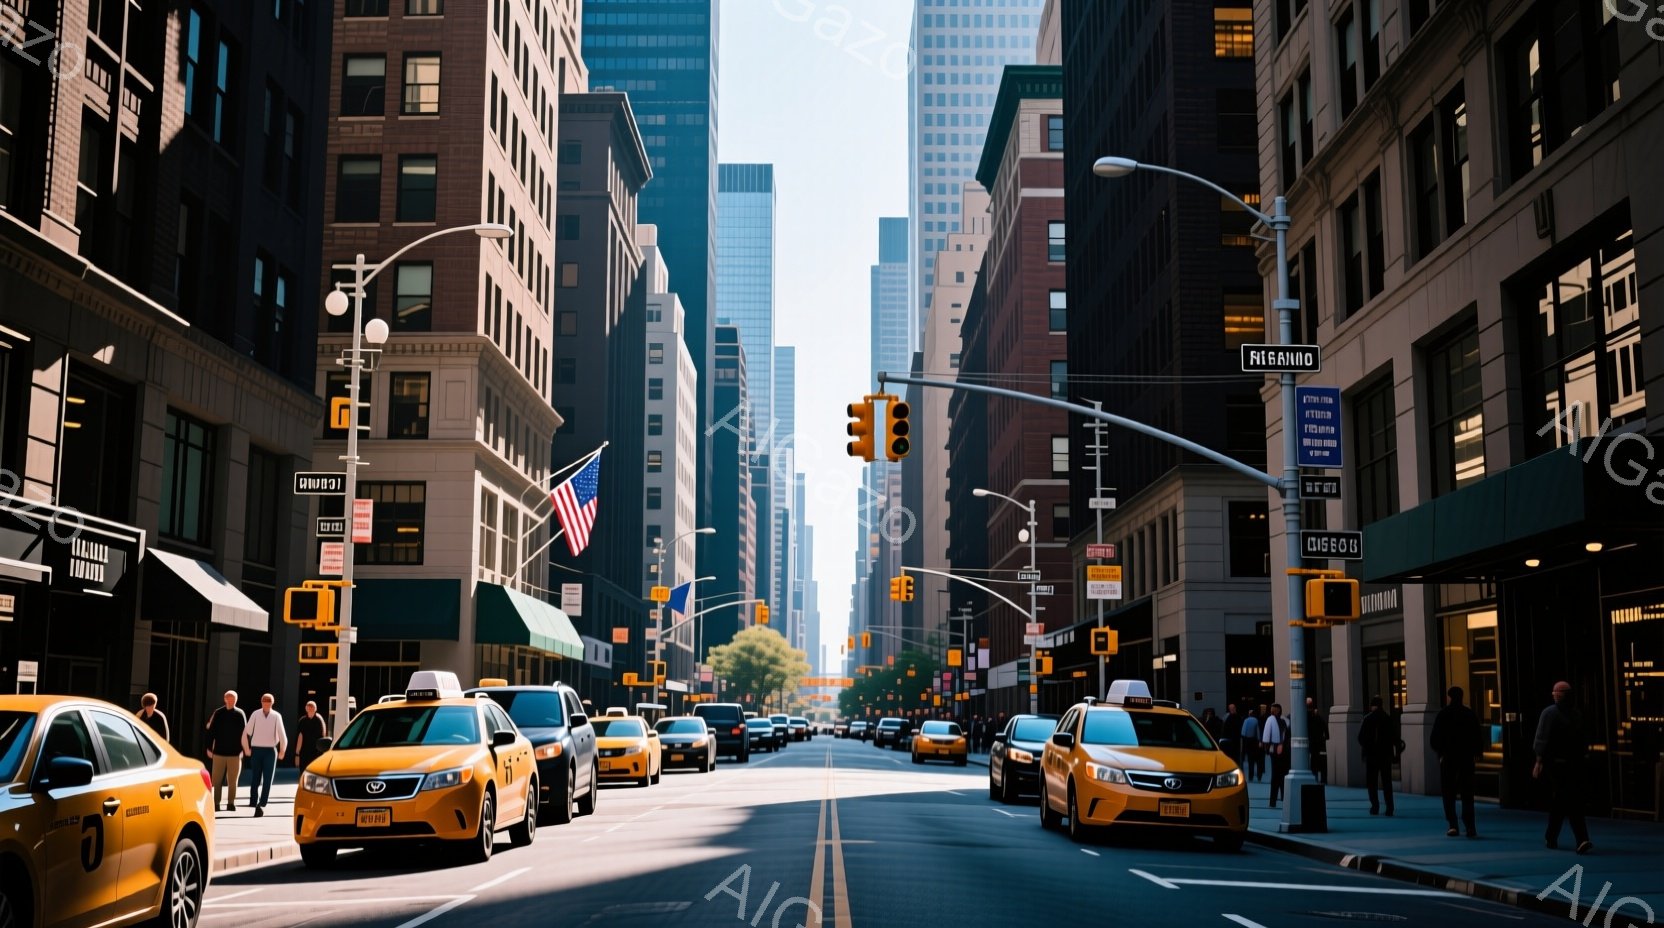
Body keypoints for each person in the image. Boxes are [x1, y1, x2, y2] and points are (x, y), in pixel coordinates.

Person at [1533, 680, 1593, 854]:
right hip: (1569, 764)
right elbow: (1582, 738)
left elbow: (1541, 738)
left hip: (1556, 763)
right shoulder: (1575, 714)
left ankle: (1552, 836)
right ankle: (1581, 838)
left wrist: (1539, 760)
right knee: (1571, 800)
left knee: (1561, 800)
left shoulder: (1550, 713)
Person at [1430, 685, 1482, 838]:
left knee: (1448, 792)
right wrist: (1477, 752)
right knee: (1467, 792)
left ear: (1449, 697)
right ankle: (1470, 825)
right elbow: (1476, 735)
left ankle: (1453, 824)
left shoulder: (1443, 714)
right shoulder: (1469, 714)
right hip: (1466, 758)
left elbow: (1434, 739)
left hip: (1449, 757)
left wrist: (1441, 752)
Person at [242, 693, 288, 818]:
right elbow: (246, 732)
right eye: (264, 701)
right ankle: (253, 801)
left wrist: (282, 750)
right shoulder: (255, 714)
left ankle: (262, 803)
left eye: (269, 701)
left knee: (268, 779)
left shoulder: (276, 716)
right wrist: (246, 748)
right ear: (261, 702)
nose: (266, 703)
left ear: (272, 703)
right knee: (255, 778)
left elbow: (283, 735)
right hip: (256, 750)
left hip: (270, 751)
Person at [205, 691, 247, 812]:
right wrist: (209, 748)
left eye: (233, 699)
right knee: (216, 780)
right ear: (224, 699)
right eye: (228, 698)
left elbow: (244, 734)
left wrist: (243, 750)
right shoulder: (218, 713)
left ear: (236, 700)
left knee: (233, 781)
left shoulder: (240, 714)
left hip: (235, 753)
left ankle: (231, 803)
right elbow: (211, 731)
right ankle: (216, 803)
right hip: (219, 752)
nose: (231, 701)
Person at [1358, 696, 1397, 815]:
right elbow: (1394, 737)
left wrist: (1367, 747)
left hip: (1372, 755)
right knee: (1387, 782)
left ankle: (1375, 806)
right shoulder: (1387, 718)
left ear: (1373, 706)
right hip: (1385, 755)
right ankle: (1389, 807)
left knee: (1372, 782)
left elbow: (1361, 738)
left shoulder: (1368, 719)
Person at [1262, 703, 1289, 807]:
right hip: (1283, 750)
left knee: (1275, 775)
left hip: (1275, 749)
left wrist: (1267, 749)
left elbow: (1266, 735)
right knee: (1283, 774)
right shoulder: (1285, 720)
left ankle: (1273, 800)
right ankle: (1283, 797)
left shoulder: (1271, 720)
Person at [295, 700, 328, 770]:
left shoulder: (319, 720)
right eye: (308, 706)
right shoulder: (302, 721)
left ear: (315, 708)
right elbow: (300, 737)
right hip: (304, 751)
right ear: (306, 708)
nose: (310, 708)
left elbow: (323, 734)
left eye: (312, 707)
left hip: (316, 751)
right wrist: (297, 753)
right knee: (304, 771)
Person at [1306, 697, 1327, 784]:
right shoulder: (1317, 717)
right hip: (1318, 741)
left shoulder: (1309, 716)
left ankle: (1315, 776)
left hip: (1313, 741)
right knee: (1319, 760)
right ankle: (1320, 778)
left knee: (1315, 760)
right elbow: (1325, 729)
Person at [1240, 708, 1263, 781]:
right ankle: (1259, 775)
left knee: (1250, 760)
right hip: (1255, 741)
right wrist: (1260, 741)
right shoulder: (1256, 720)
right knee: (1258, 760)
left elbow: (1243, 732)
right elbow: (1258, 732)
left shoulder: (1246, 720)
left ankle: (1250, 776)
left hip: (1248, 741)